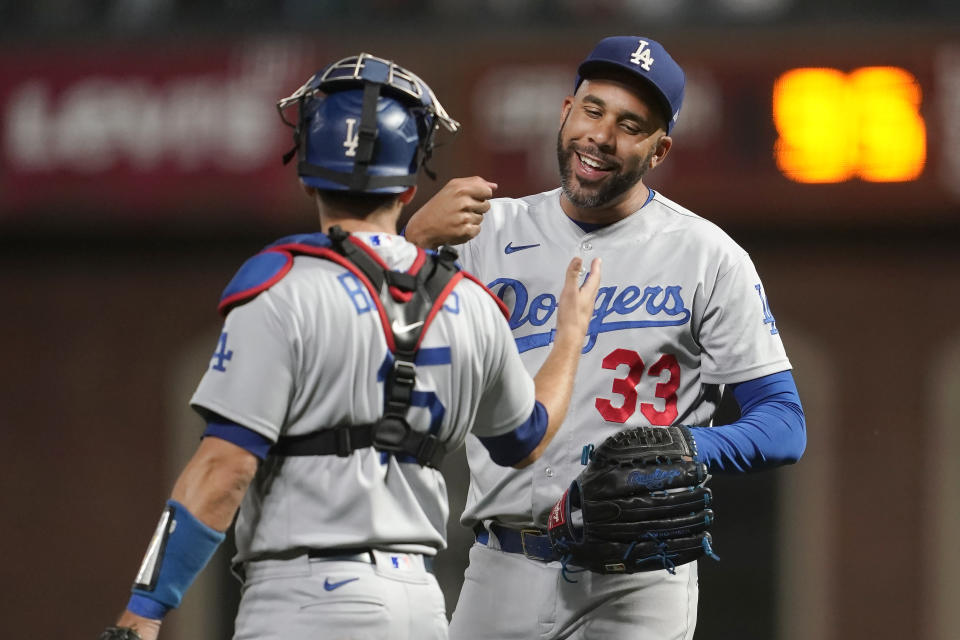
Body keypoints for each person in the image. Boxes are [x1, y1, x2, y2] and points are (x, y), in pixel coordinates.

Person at [97, 52, 601, 640]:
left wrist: (145, 609)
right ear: (413, 181)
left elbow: (223, 470)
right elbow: (526, 438)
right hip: (418, 604)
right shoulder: (471, 305)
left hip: (306, 600)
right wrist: (569, 337)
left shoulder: (282, 285)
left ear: (307, 165)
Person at [403, 36, 807, 640]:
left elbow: (783, 423)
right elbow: (373, 348)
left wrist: (687, 450)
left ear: (659, 149)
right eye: (592, 111)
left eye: (630, 125)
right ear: (566, 110)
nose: (602, 136)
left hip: (639, 579)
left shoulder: (706, 255)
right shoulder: (485, 232)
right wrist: (411, 243)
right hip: (500, 563)